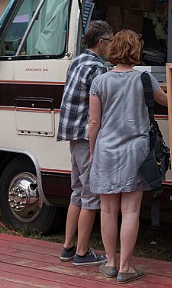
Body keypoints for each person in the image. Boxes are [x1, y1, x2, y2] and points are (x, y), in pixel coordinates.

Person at [88, 29, 168, 282]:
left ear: (112, 50)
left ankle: (110, 263)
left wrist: (93, 152)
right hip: (136, 152)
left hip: (106, 151)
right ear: (136, 51)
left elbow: (93, 122)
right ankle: (125, 268)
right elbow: (167, 102)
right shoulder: (145, 80)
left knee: (108, 211)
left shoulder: (100, 82)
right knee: (131, 211)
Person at [57, 20, 113, 266]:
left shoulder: (78, 60)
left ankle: (68, 247)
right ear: (101, 42)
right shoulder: (99, 69)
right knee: (91, 194)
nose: (112, 46)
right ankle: (82, 252)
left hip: (71, 134)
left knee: (77, 192)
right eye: (110, 41)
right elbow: (98, 112)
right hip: (85, 136)